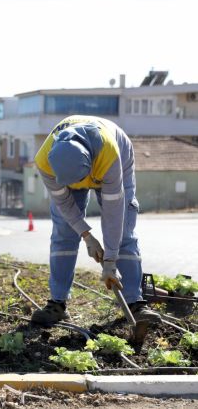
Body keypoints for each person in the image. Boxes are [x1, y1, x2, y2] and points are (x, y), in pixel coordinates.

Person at [31, 115, 161, 326]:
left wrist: (110, 260)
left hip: (116, 155)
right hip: (78, 166)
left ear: (90, 166)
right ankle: (57, 303)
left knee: (125, 232)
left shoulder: (109, 155)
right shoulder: (45, 161)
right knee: (64, 231)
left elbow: (113, 213)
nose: (79, 185)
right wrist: (86, 235)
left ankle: (135, 303)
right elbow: (64, 205)